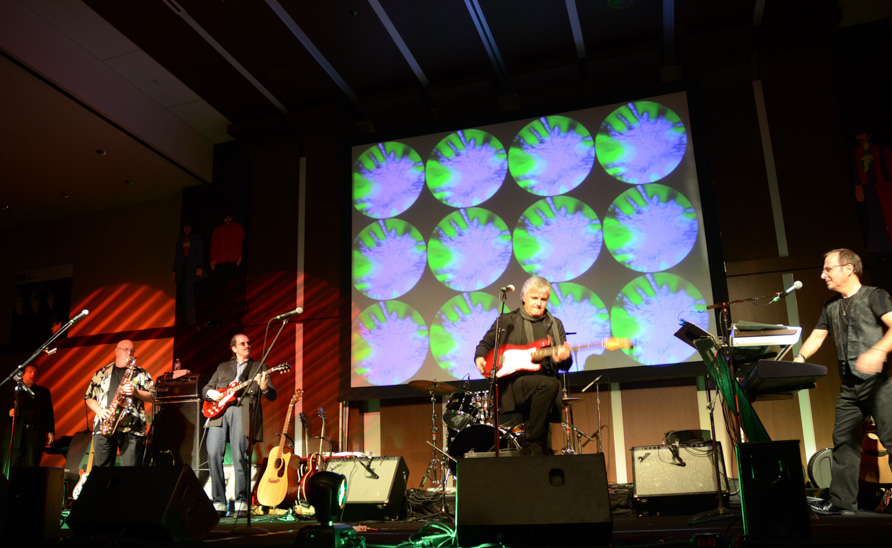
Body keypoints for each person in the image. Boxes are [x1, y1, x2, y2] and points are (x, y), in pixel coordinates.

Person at [794, 248, 892, 515]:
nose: (822, 274)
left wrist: (879, 350)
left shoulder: (875, 296)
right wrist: (800, 357)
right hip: (850, 388)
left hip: (882, 385)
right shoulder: (831, 306)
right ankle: (842, 506)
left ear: (848, 269)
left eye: (828, 269)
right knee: (844, 444)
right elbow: (817, 336)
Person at [474, 276, 572, 455]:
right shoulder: (507, 321)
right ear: (524, 297)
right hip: (514, 386)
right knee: (550, 384)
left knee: (549, 386)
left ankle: (533, 448)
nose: (539, 303)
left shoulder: (554, 324)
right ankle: (532, 442)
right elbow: (485, 345)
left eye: (543, 299)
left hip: (544, 390)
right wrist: (479, 357)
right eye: (535, 298)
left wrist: (563, 358)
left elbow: (566, 364)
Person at [203, 334, 277, 517]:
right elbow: (206, 388)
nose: (247, 346)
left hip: (242, 410)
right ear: (234, 348)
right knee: (213, 453)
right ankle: (219, 502)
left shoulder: (260, 367)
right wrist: (212, 393)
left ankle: (241, 502)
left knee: (240, 456)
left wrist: (265, 387)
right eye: (242, 343)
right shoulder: (223, 367)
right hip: (218, 412)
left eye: (249, 343)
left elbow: (272, 395)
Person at [84, 340, 155, 467]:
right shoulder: (102, 373)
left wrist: (135, 392)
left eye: (132, 351)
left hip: (131, 428)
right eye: (126, 350)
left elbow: (153, 396)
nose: (129, 353)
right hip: (105, 426)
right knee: (101, 473)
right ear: (116, 351)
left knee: (129, 474)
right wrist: (100, 411)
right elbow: (89, 397)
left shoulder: (140, 373)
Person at [6, 365, 54, 467]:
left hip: (34, 435)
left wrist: (50, 431)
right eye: (30, 372)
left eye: (35, 372)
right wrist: (9, 412)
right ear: (22, 375)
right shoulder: (14, 391)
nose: (33, 374)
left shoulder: (43, 392)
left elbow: (49, 413)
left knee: (31, 467)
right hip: (16, 434)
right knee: (13, 466)